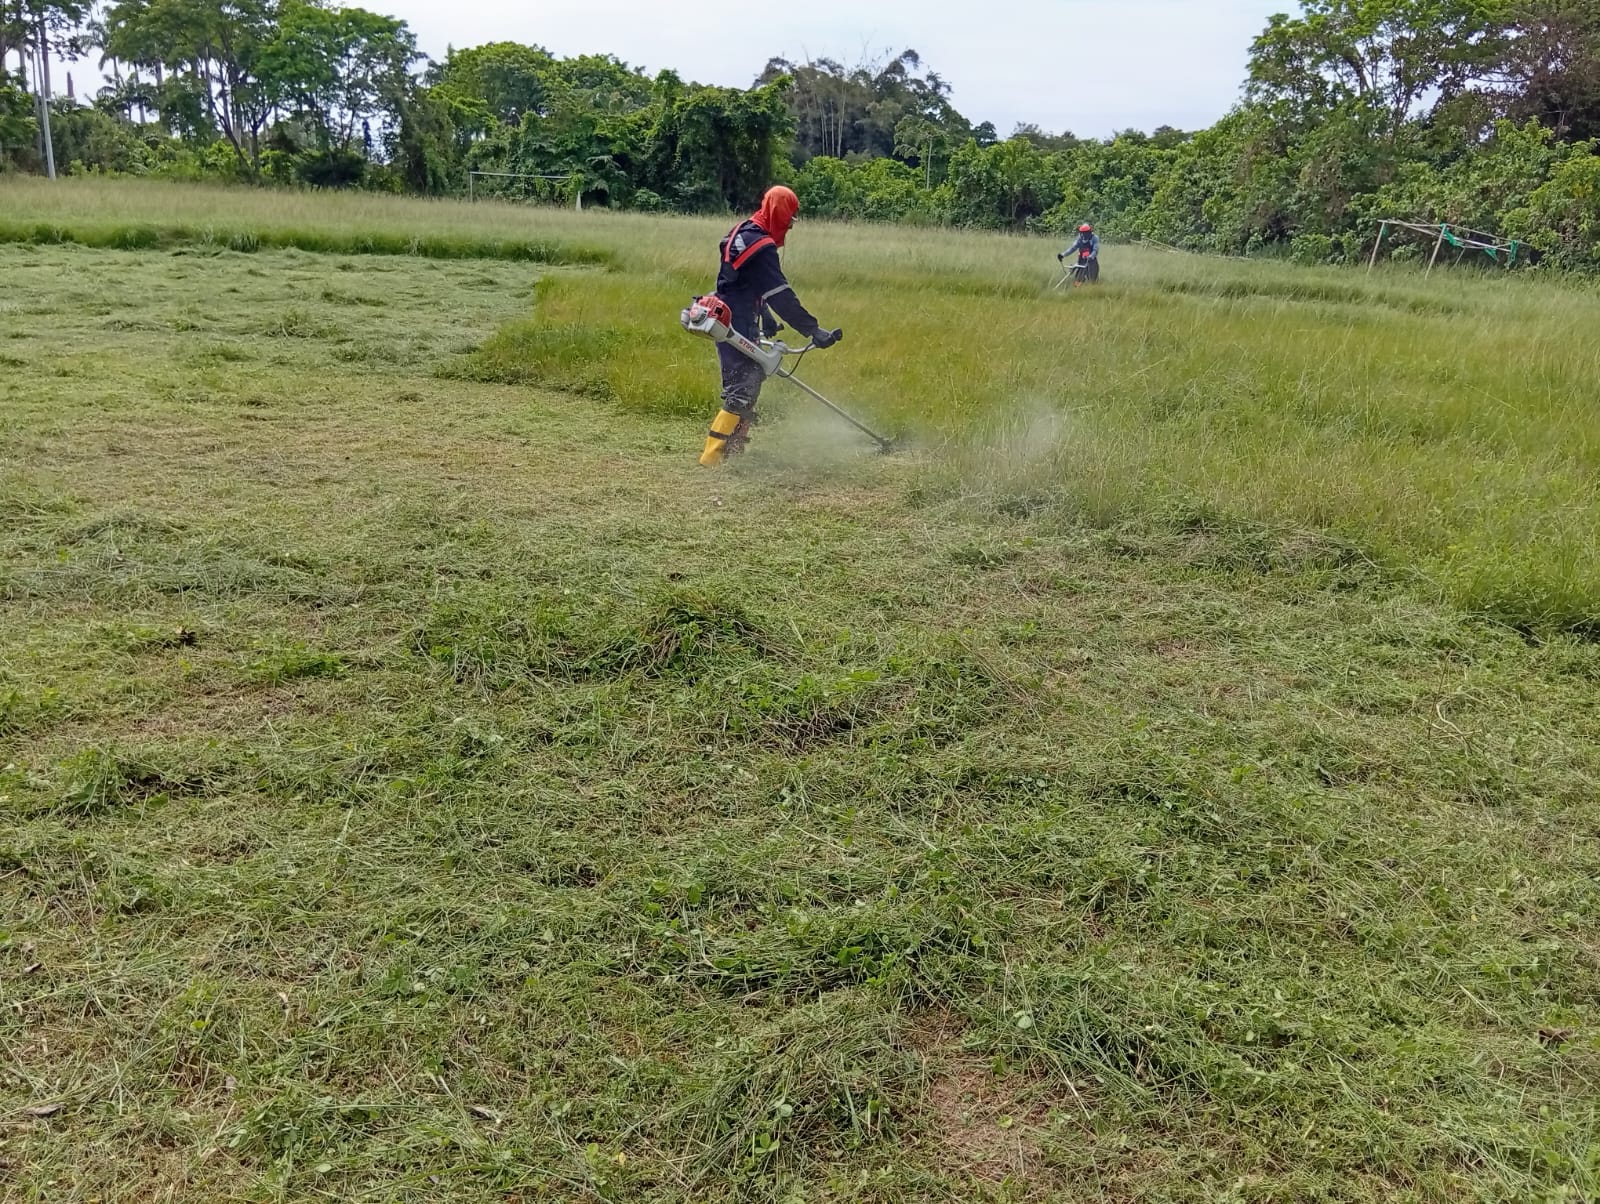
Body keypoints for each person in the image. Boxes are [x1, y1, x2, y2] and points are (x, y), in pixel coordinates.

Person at [700, 185, 842, 465]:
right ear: (778, 212)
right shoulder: (762, 246)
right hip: (737, 321)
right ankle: (712, 457)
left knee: (747, 379)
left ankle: (733, 451)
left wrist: (764, 314)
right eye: (789, 219)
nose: (789, 226)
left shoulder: (742, 231)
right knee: (743, 386)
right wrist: (812, 329)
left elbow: (739, 281)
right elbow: (780, 294)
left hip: (729, 313)